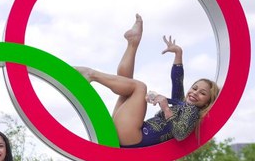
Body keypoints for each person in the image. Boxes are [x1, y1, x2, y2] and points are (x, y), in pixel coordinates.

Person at [76, 14, 219, 147]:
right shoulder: (181, 104)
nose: (195, 93)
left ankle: (92, 74)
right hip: (129, 134)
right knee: (126, 83)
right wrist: (178, 54)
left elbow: (180, 134)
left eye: (202, 93)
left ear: (207, 102)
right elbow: (177, 81)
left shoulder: (193, 112)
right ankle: (133, 42)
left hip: (134, 137)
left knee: (139, 87)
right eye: (194, 88)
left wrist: (165, 107)